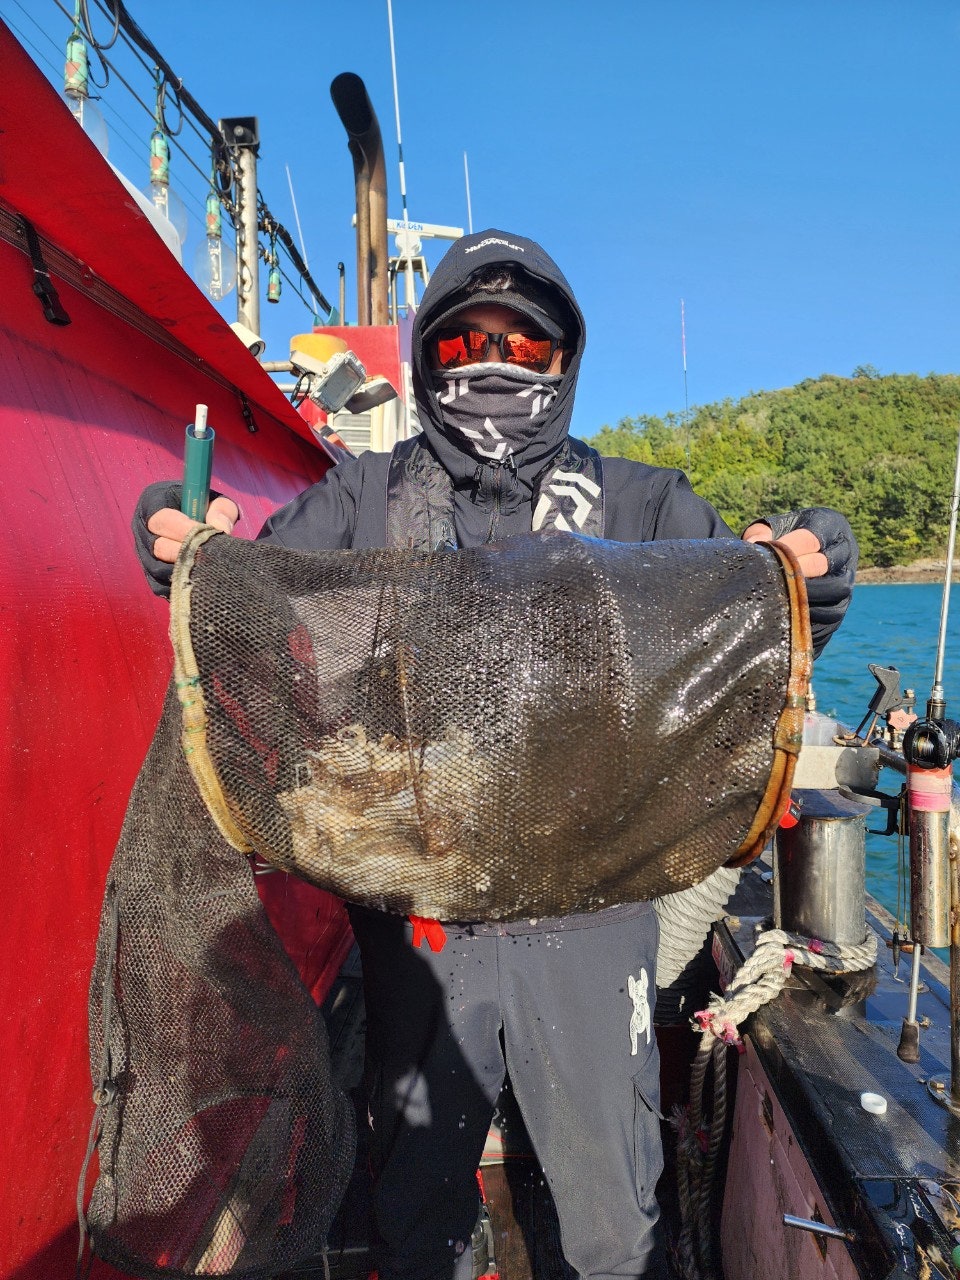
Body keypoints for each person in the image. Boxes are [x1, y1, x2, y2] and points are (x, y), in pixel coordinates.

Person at [134, 228, 857, 1280]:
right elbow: (243, 596)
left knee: (611, 1211)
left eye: (523, 345)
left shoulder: (643, 502)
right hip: (420, 910)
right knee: (414, 1189)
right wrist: (181, 542)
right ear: (428, 354)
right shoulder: (362, 498)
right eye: (465, 341)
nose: (493, 363)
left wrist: (812, 566)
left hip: (593, 903)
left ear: (564, 358)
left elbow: (759, 617)